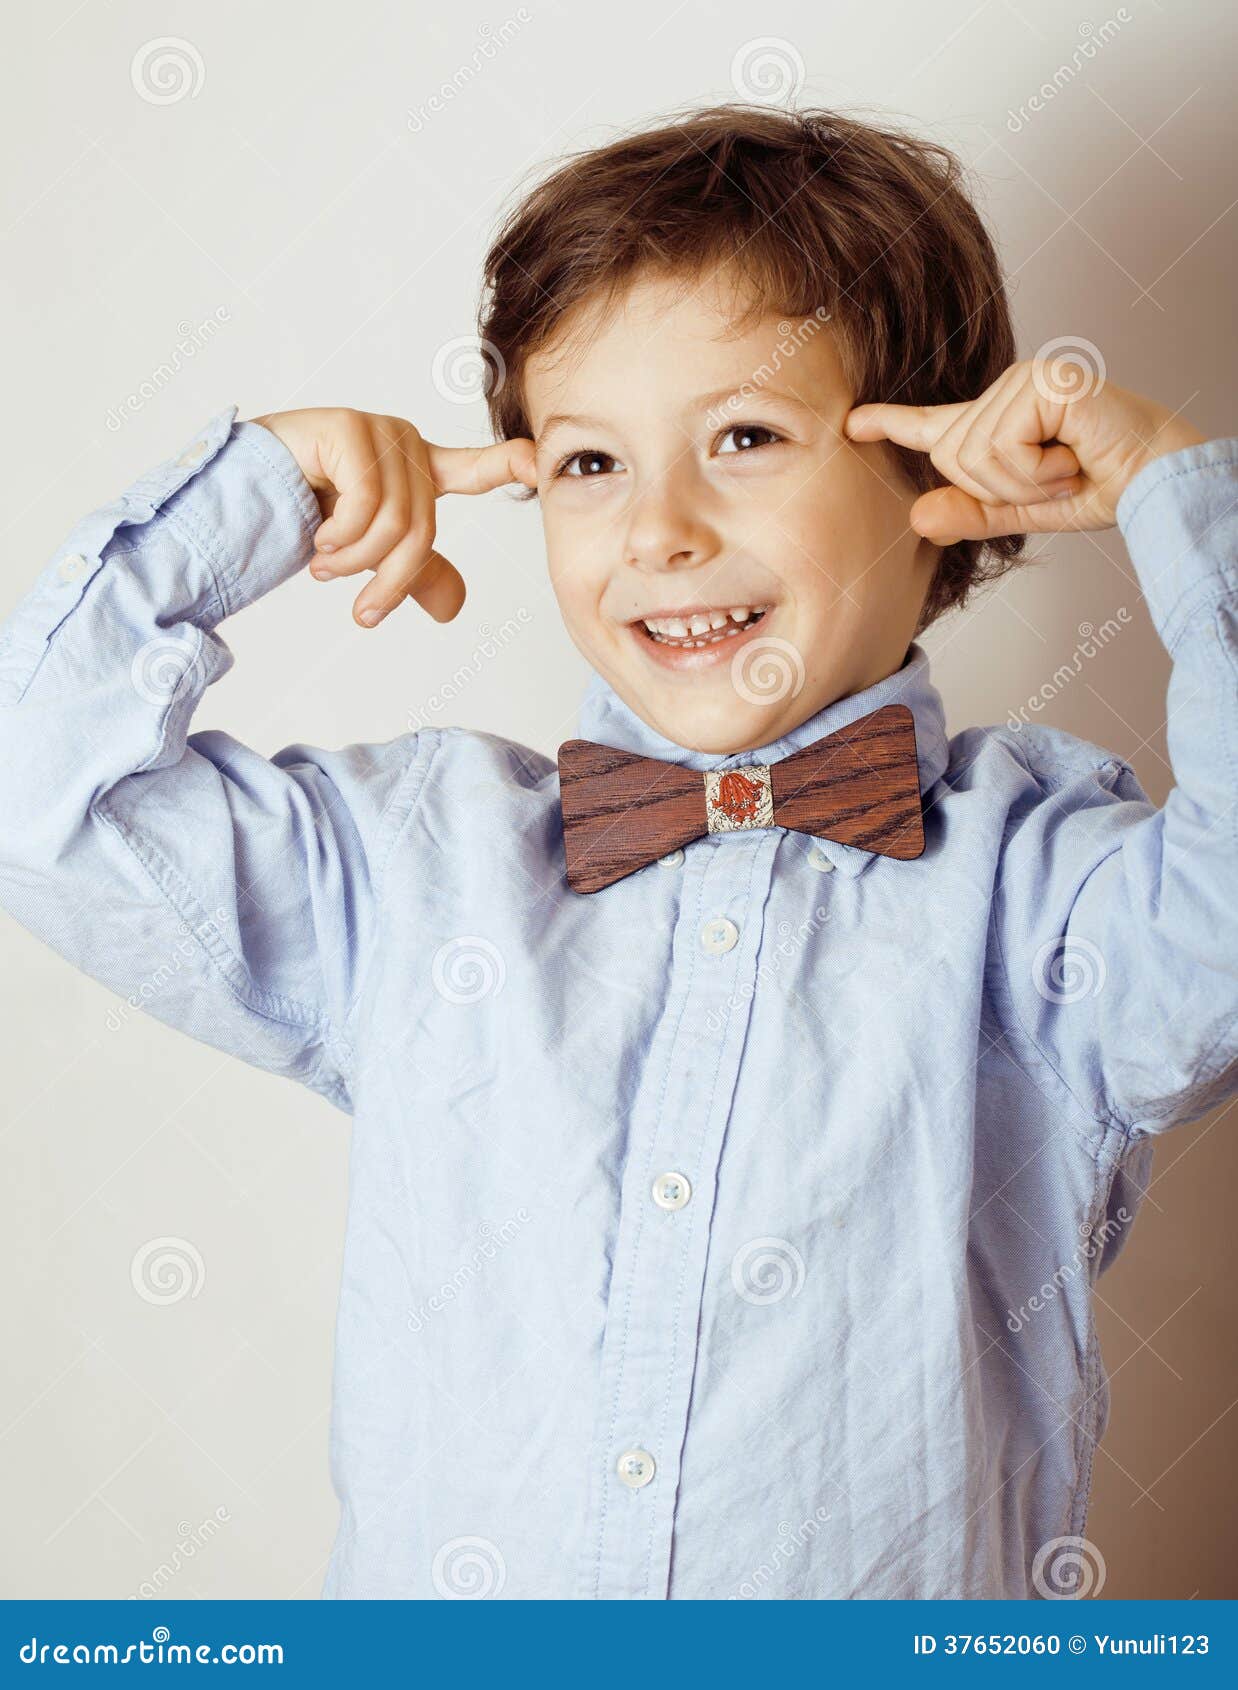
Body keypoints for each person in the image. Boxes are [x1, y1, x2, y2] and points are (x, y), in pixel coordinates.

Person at [1, 103, 1233, 1600]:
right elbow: (42, 791)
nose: (657, 529)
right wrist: (253, 492)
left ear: (936, 474)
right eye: (589, 462)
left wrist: (1175, 491)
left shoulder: (1042, 893)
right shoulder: (407, 866)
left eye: (744, 438)